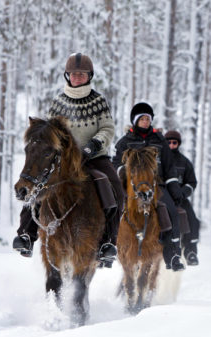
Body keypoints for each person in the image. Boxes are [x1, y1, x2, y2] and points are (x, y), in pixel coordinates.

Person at [13, 53, 125, 268]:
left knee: (116, 191)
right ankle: (26, 235)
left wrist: (94, 144)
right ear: (67, 76)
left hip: (94, 157)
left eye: (81, 74)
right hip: (63, 159)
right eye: (73, 74)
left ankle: (107, 244)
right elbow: (49, 131)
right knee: (36, 184)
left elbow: (108, 128)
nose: (77, 78)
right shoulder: (59, 101)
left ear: (89, 76)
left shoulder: (98, 100)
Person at [113, 102, 185, 272]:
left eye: (148, 119)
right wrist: (123, 171)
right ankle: (107, 245)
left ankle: (173, 254)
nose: (145, 122)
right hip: (130, 185)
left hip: (156, 185)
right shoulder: (125, 141)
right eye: (142, 119)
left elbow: (169, 165)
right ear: (135, 121)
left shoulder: (159, 140)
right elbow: (115, 162)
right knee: (114, 207)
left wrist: (173, 186)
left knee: (171, 212)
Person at [164, 130, 200, 265]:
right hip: (164, 195)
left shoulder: (184, 162)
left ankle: (190, 251)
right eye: (169, 142)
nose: (171, 145)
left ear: (178, 144)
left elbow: (192, 182)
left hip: (180, 197)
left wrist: (183, 192)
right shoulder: (159, 159)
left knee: (193, 219)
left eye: (174, 142)